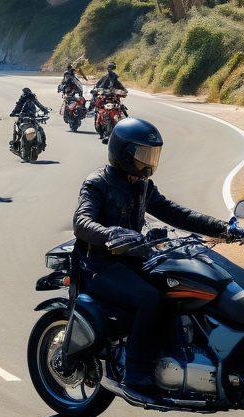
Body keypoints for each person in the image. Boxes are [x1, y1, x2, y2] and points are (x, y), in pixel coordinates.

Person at [73, 117, 230, 393]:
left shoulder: (143, 185)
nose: (148, 161)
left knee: (178, 286)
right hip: (101, 265)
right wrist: (110, 235)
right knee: (149, 298)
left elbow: (175, 212)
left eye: (152, 154)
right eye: (142, 154)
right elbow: (82, 221)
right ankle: (137, 373)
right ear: (124, 153)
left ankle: (177, 355)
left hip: (134, 260)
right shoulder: (97, 183)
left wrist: (222, 228)